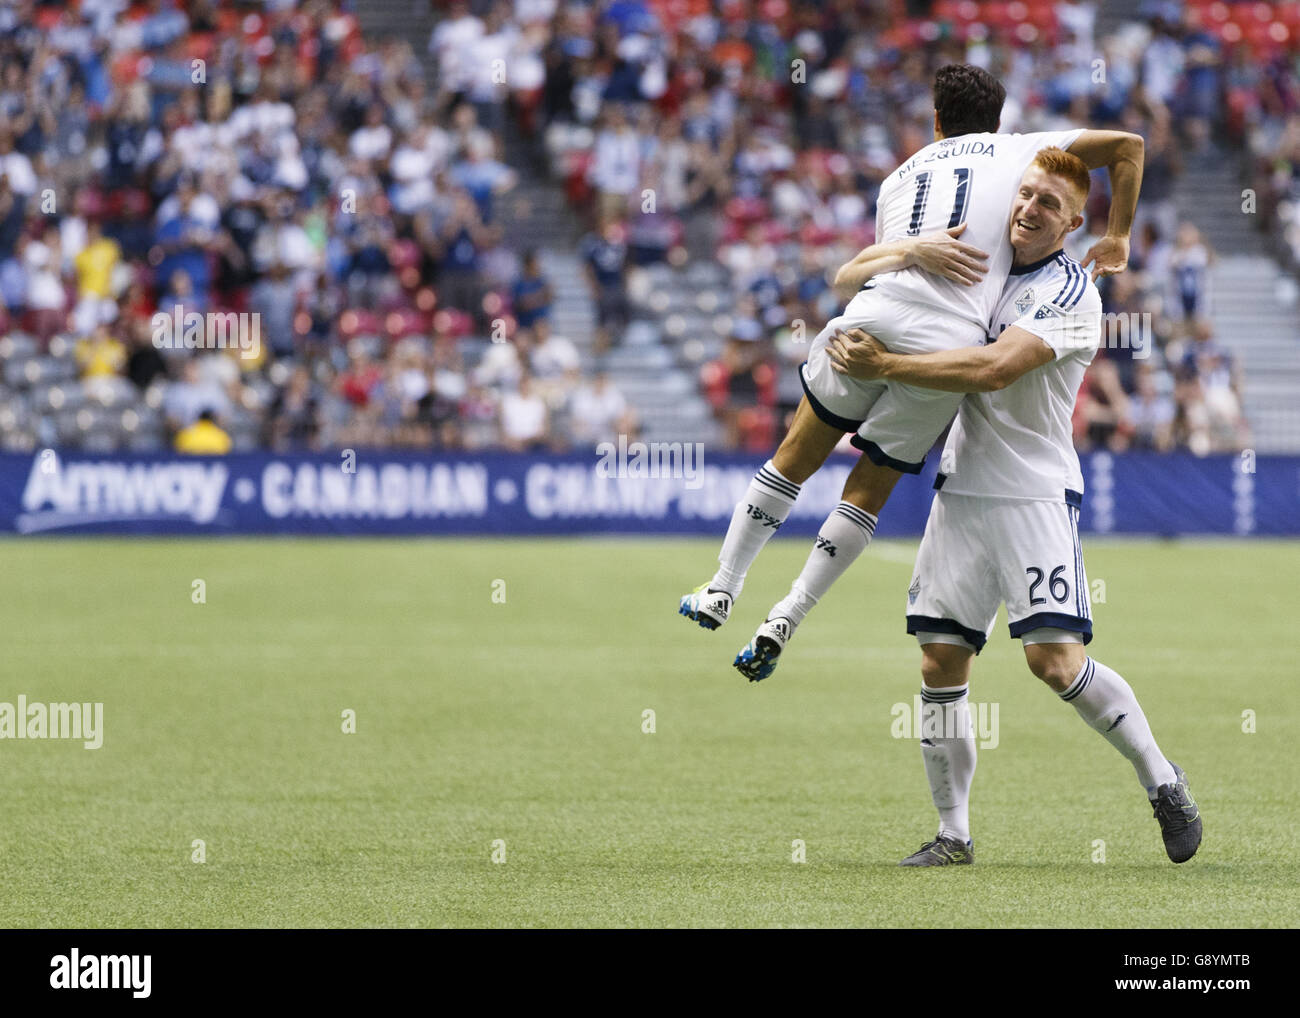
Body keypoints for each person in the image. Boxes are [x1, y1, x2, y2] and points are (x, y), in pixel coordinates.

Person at [677, 64, 1145, 685]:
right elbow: (1128, 148)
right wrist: (1118, 235)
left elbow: (858, 272)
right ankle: (786, 617)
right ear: (999, 122)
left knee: (793, 457)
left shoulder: (899, 177)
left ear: (934, 118)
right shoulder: (1021, 153)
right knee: (867, 491)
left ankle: (723, 587)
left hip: (873, 314)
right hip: (946, 346)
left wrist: (911, 251)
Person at [825, 148, 1201, 867]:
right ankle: (953, 834)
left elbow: (994, 369)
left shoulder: (1071, 291)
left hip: (1031, 489)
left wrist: (887, 367)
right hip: (962, 483)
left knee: (1054, 663)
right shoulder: (981, 262)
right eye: (1024, 195)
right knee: (940, 660)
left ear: (1073, 225)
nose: (1028, 209)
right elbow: (867, 284)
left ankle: (1161, 778)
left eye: (1048, 205)